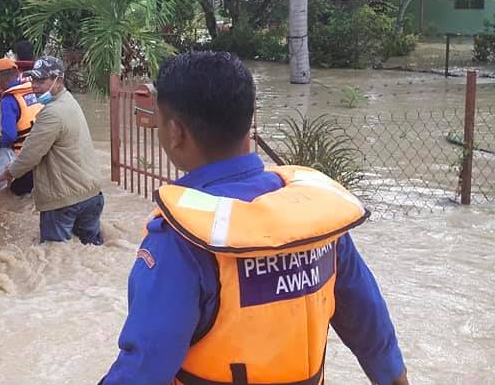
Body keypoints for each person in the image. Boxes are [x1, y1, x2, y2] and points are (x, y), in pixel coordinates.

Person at [101, 52, 408, 385]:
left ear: (175, 132)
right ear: (247, 121)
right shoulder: (313, 219)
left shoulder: (181, 238)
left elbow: (144, 367)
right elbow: (369, 324)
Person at [0, 56, 103, 244]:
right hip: (91, 194)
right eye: (33, 79)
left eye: (41, 81)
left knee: (54, 255)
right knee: (90, 250)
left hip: (64, 202)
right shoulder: (69, 101)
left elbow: (29, 156)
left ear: (58, 80)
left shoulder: (51, 113)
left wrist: (5, 175)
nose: (34, 85)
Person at [0, 57, 42, 196]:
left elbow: (9, 135)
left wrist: (0, 142)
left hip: (24, 159)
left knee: (14, 195)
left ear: (0, 79)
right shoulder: (32, 90)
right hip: (43, 154)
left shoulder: (9, 100)